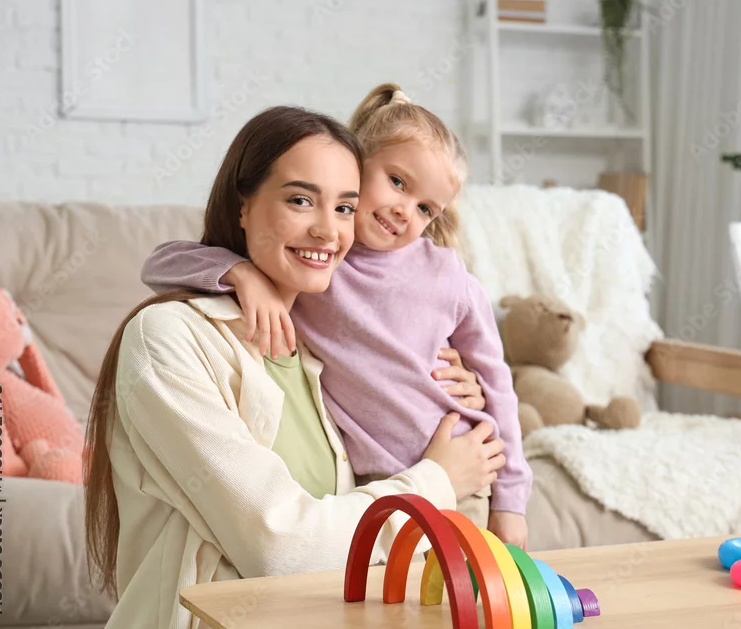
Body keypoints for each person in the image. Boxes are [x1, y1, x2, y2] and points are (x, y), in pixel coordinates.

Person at [83, 106, 507, 629]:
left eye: (345, 207)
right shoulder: (169, 337)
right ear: (243, 205)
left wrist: (450, 383)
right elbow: (279, 546)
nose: (328, 231)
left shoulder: (318, 347)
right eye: (300, 200)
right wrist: (437, 479)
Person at [141, 83, 532, 547]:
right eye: (397, 182)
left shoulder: (448, 277)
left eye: (426, 208)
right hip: (369, 482)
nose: (404, 211)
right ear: (357, 166)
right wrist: (241, 274)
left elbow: (496, 383)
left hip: (461, 473)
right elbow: (161, 263)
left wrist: (511, 502)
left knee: (464, 591)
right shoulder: (320, 263)